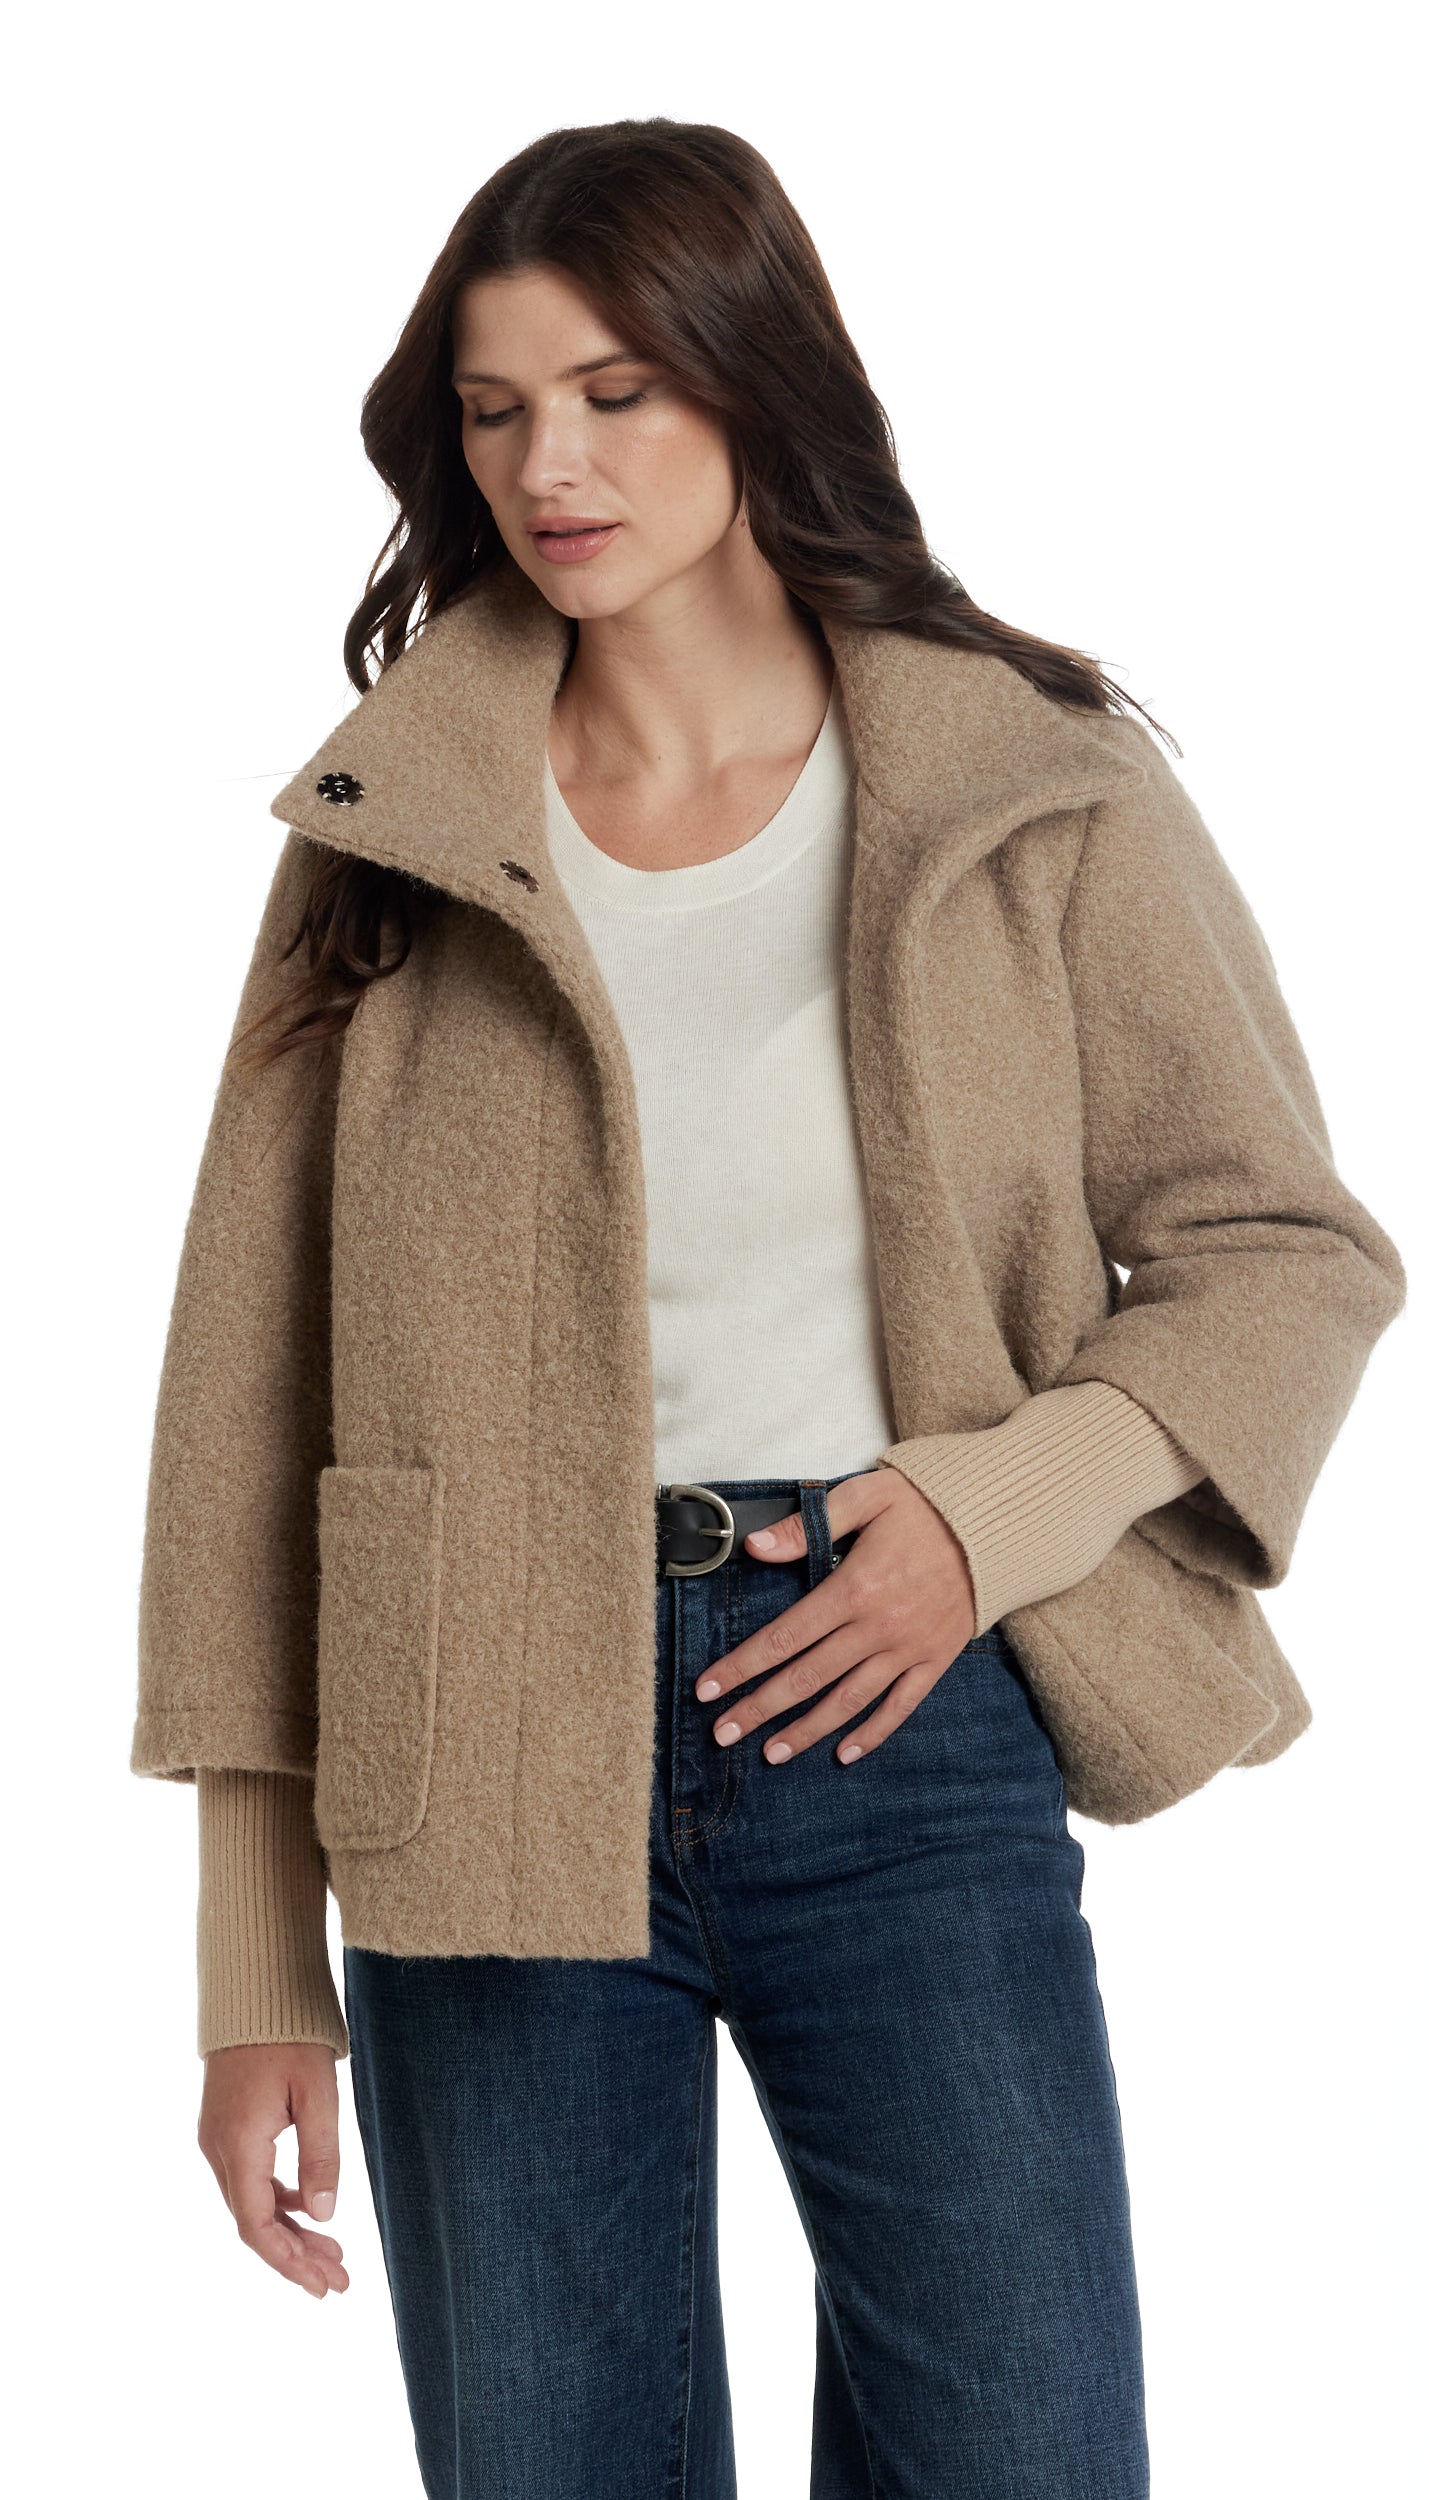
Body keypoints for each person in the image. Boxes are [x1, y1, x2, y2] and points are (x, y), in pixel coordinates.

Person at [130, 117, 1405, 2500]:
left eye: (615, 393)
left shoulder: (1027, 782)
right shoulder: (395, 829)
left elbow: (1281, 1247)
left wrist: (993, 1508)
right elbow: (247, 1394)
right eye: (496, 409)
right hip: (477, 1729)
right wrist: (250, 1957)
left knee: (1026, 2452)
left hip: (895, 1699)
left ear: (752, 378)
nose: (551, 466)